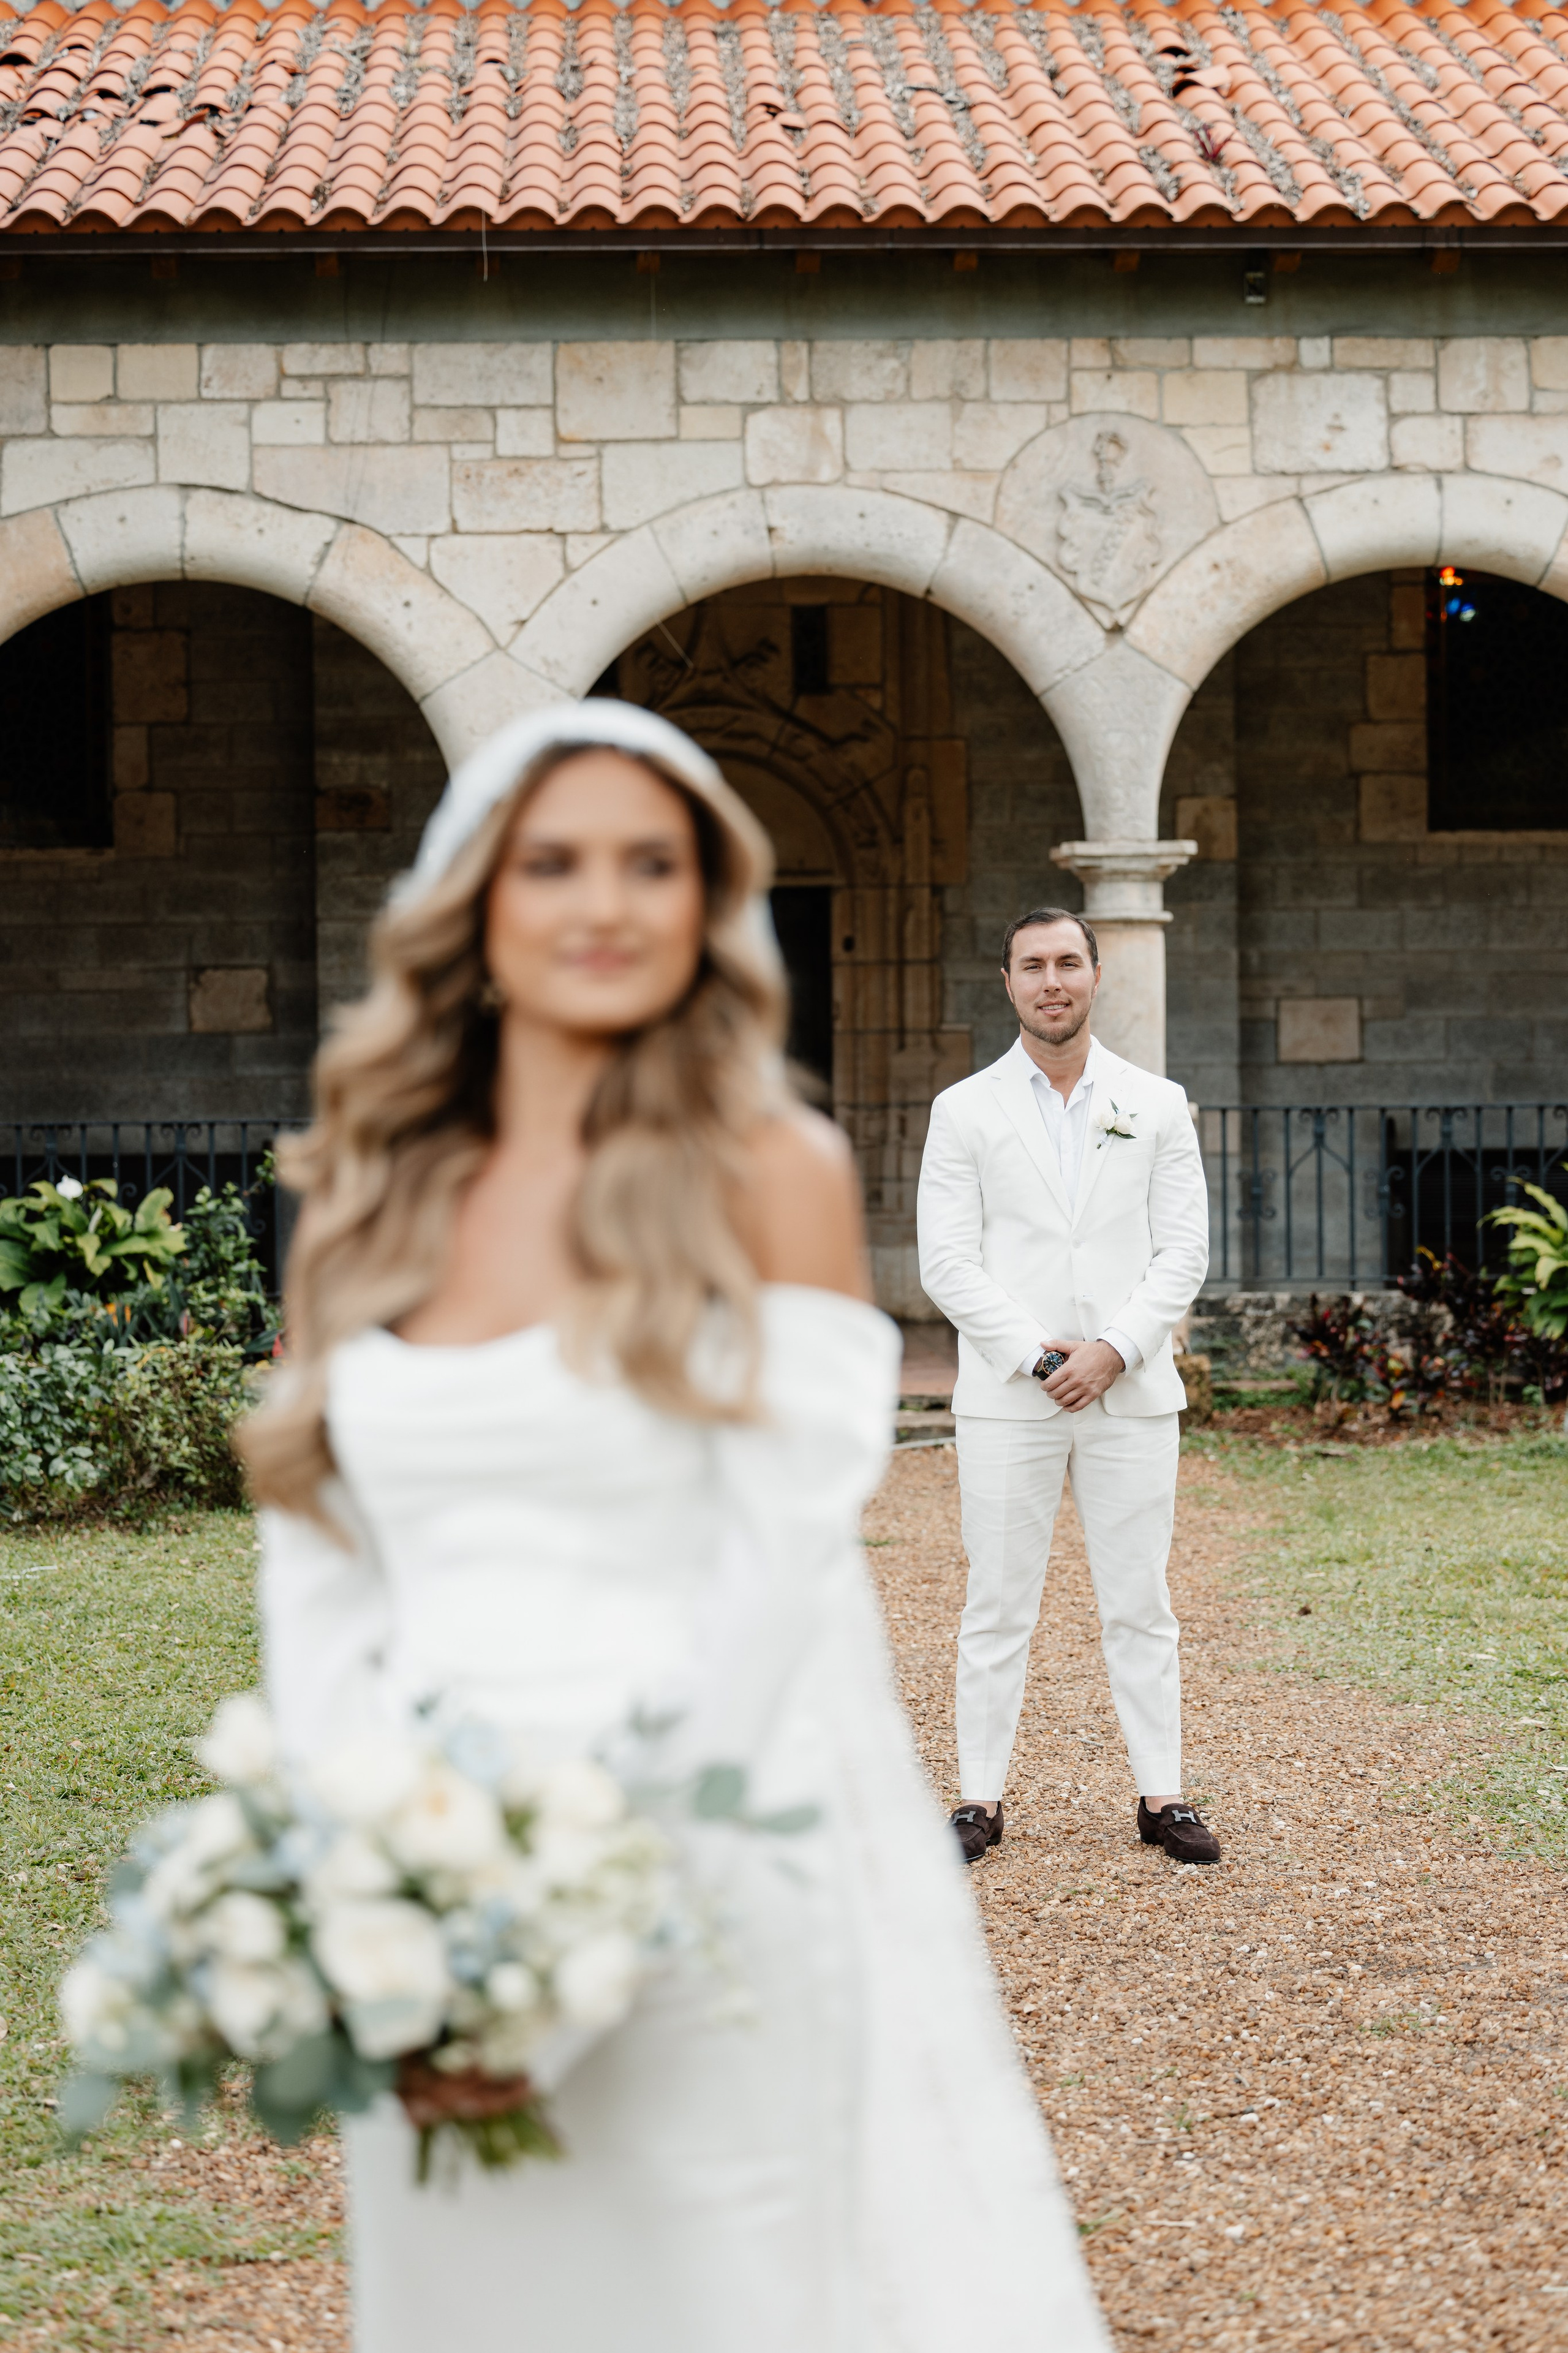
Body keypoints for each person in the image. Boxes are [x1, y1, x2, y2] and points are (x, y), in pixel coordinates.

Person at [238, 711, 1109, 2353]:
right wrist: (368, 1882)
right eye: (554, 862)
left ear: (706, 904)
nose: (604, 902)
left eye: (651, 864)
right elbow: (321, 1558)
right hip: (421, 1867)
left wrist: (570, 1915)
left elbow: (772, 1569)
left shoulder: (770, 1169)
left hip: (709, 1863)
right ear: (477, 901)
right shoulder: (372, 1188)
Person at [916, 908, 1216, 1869]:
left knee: (1141, 1599)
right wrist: (1042, 1358)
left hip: (1131, 1391)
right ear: (1007, 982)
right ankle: (979, 1798)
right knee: (997, 1601)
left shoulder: (1156, 1102)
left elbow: (1184, 1251)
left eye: (1069, 962)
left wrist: (1115, 1349)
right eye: (1034, 965)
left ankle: (1162, 1794)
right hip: (1012, 1396)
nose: (1053, 980)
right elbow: (947, 1261)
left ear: (1095, 975)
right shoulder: (964, 1109)